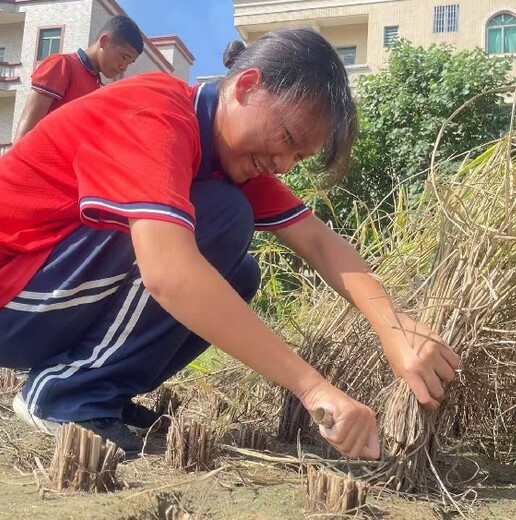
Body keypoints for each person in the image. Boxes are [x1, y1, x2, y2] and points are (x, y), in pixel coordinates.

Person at [0, 28, 460, 460]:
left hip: (42, 300)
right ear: (246, 86)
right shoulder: (155, 112)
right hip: (12, 294)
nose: (283, 166)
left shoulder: (229, 156)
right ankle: (63, 396)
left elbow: (320, 243)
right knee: (220, 217)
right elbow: (168, 276)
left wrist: (395, 327)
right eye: (287, 140)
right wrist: (313, 388)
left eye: (298, 158)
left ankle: (101, 392)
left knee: (238, 273)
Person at [13, 15, 143, 143]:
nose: (124, 67)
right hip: (41, 160)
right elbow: (27, 124)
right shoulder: (62, 65)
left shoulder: (98, 88)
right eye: (124, 57)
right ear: (104, 41)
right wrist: (13, 163)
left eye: (130, 63)